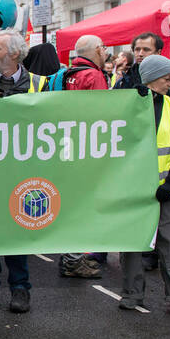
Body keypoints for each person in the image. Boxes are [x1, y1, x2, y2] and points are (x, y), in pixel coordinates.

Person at [0, 30, 45, 313]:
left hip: (21, 171)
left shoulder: (39, 84)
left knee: (17, 229)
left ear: (14, 54)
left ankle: (20, 289)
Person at [119, 54, 170, 318]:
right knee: (133, 246)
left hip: (167, 190)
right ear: (150, 79)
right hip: (134, 190)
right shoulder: (125, 106)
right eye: (167, 78)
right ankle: (131, 294)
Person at [58, 34, 110, 279]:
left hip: (66, 148)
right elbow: (100, 117)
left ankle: (69, 256)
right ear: (98, 50)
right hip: (86, 150)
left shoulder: (67, 74)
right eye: (104, 48)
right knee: (81, 207)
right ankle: (73, 260)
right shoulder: (94, 76)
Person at [114, 32, 170, 120]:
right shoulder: (124, 81)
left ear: (158, 52)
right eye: (137, 49)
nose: (140, 54)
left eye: (146, 49)